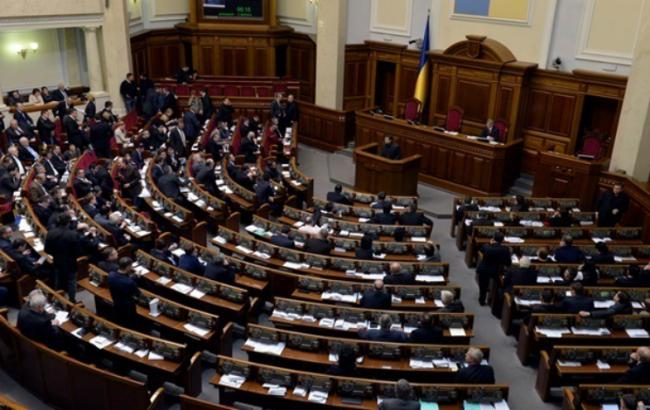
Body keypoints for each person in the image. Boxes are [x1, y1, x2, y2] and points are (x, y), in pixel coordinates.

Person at [45, 214, 87, 301]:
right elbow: (79, 252)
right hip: (70, 263)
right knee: (71, 281)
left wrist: (56, 254)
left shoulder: (50, 233)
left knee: (58, 279)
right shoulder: (73, 234)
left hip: (57, 261)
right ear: (68, 222)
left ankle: (58, 299)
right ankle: (72, 300)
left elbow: (47, 250)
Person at [476, 232, 511, 305]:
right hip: (495, 271)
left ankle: (481, 300)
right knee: (500, 284)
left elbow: (481, 251)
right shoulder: (505, 249)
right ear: (502, 240)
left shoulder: (486, 246)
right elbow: (508, 263)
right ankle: (495, 301)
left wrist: (490, 243)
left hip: (484, 269)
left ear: (493, 239)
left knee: (483, 286)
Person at [108, 257, 141, 328]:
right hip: (128, 306)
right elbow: (137, 293)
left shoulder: (111, 275)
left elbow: (121, 279)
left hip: (116, 301)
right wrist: (136, 278)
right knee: (130, 323)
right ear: (128, 267)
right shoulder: (130, 282)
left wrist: (134, 276)